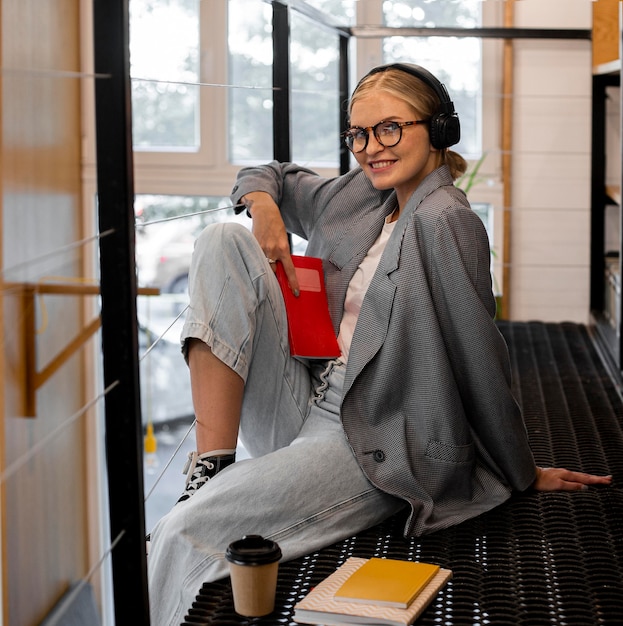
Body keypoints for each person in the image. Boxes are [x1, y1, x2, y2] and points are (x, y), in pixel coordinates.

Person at [146, 63, 611, 624]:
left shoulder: (446, 221)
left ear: (439, 129)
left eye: (390, 128)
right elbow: (265, 172)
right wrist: (265, 209)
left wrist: (521, 471)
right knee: (223, 238)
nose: (371, 148)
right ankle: (211, 464)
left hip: (373, 433)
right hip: (304, 390)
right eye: (359, 134)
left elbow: (479, 356)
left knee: (182, 531)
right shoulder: (356, 195)